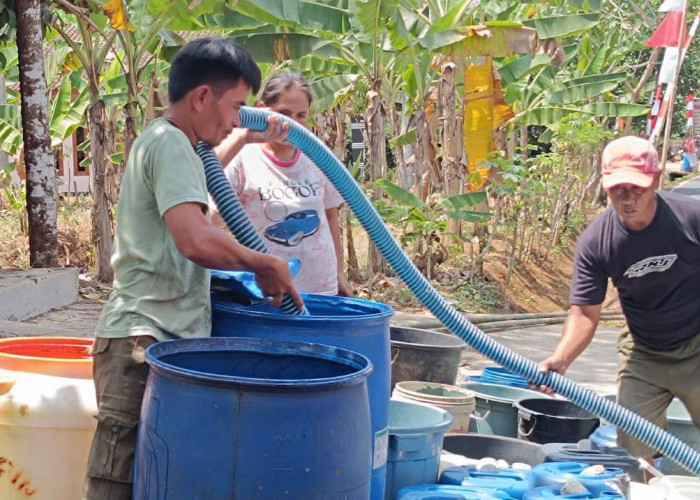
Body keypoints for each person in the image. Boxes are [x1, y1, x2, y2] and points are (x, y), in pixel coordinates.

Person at [84, 38, 303, 499]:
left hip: (163, 340)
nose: (237, 119)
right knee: (117, 482)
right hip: (140, 338)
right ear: (202, 97)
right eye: (237, 107)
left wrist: (245, 134)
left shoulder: (177, 144)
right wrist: (264, 262)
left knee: (155, 480)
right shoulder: (170, 145)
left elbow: (197, 217)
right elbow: (194, 238)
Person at [539, 135, 700, 466]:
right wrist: (561, 357)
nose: (628, 199)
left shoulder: (690, 219)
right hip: (644, 353)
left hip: (697, 345)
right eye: (618, 190)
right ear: (605, 187)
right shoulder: (597, 241)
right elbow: (584, 312)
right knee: (633, 448)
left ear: (655, 180)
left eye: (637, 188)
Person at [212, 72, 353, 296]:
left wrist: (338, 273)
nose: (292, 124)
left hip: (321, 287)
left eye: (301, 115)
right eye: (284, 113)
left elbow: (330, 215)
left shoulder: (317, 156)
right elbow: (211, 218)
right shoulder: (242, 158)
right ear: (262, 109)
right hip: (269, 292)